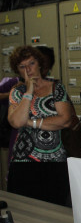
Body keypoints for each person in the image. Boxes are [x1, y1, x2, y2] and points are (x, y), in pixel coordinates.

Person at [7, 46, 73, 206]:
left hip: (54, 162)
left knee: (55, 211)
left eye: (31, 63)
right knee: (24, 212)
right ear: (17, 70)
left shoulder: (57, 88)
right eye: (22, 66)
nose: (28, 69)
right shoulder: (17, 92)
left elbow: (65, 120)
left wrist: (30, 122)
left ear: (40, 64)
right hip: (24, 162)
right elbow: (16, 122)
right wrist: (29, 91)